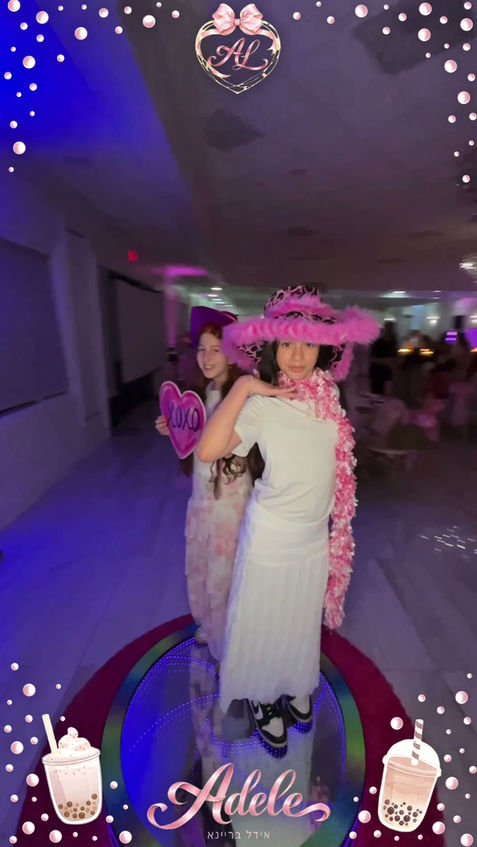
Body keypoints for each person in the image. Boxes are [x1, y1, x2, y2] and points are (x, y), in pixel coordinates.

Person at [198, 285, 379, 752]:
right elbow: (209, 450)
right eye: (286, 343)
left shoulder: (330, 401)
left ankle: (294, 681)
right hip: (271, 538)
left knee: (298, 619)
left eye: (308, 343)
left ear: (324, 349)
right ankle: (261, 696)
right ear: (272, 348)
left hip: (314, 538)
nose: (297, 356)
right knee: (265, 621)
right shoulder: (262, 404)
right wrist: (244, 387)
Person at [155, 307, 252, 661]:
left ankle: (229, 645)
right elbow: (195, 453)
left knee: (225, 575)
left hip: (230, 505)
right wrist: (175, 431)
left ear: (232, 354)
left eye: (216, 349)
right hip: (200, 501)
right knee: (200, 567)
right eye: (202, 349)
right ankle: (209, 625)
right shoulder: (197, 395)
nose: (207, 357)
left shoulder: (242, 399)